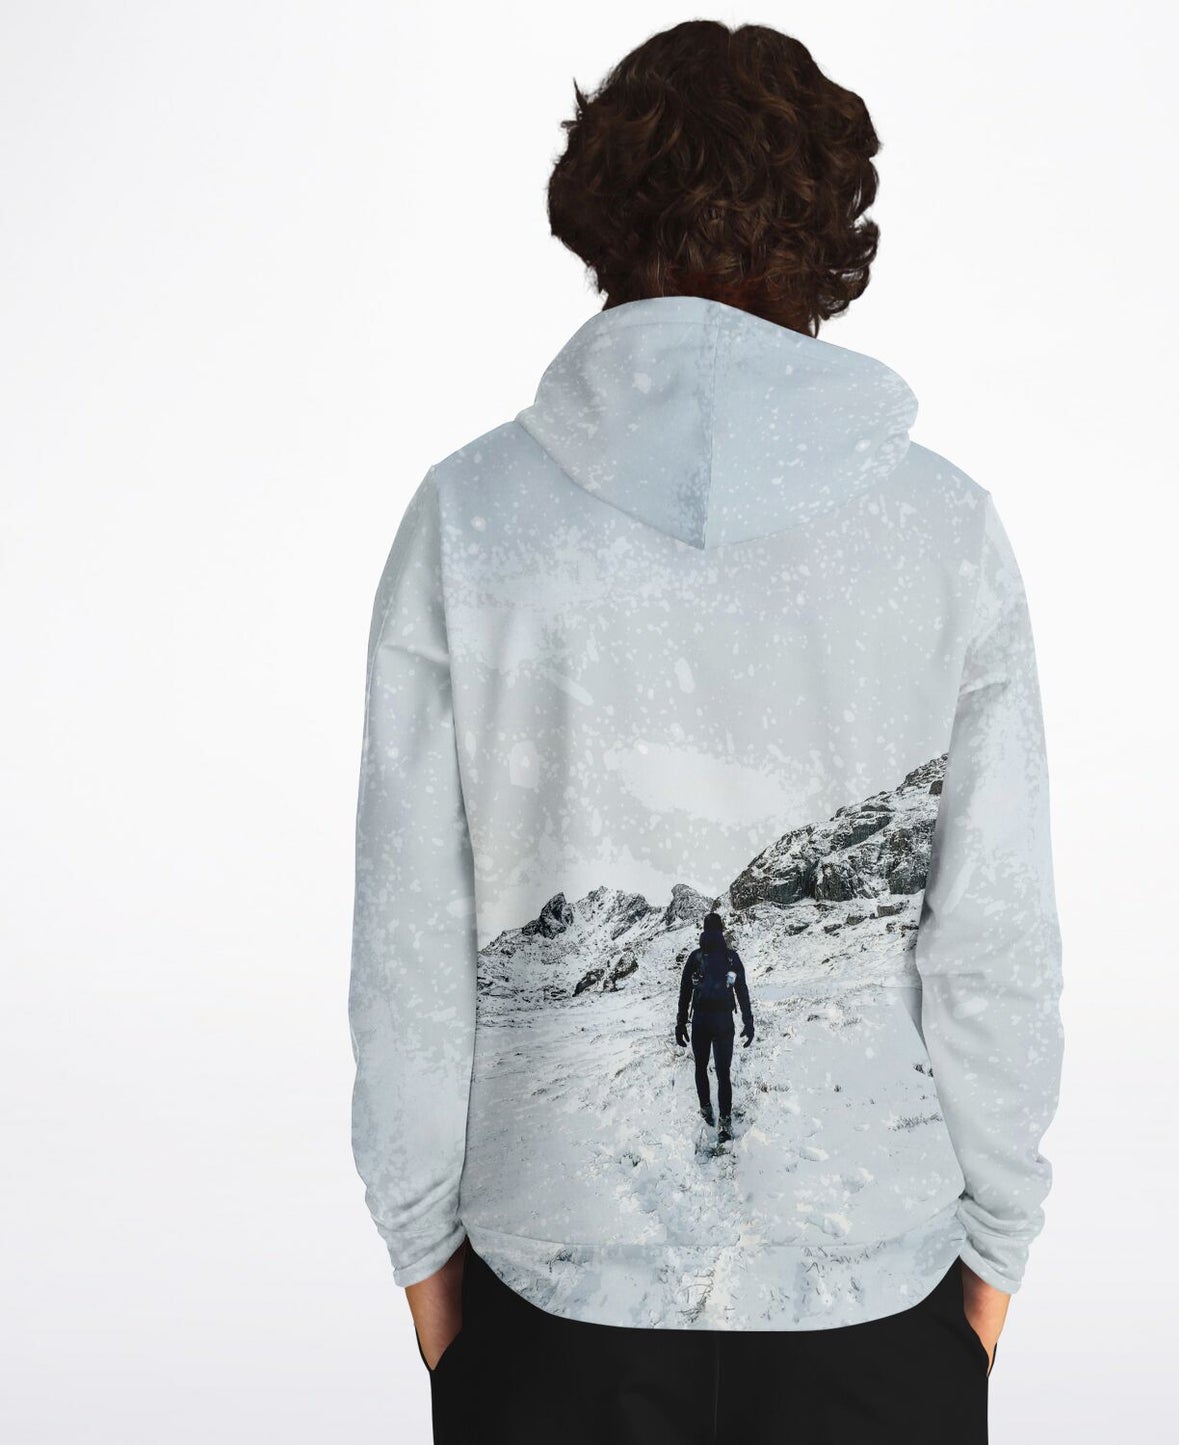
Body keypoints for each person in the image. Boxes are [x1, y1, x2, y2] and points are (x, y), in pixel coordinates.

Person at [347, 20, 1063, 1444]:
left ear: (599, 215)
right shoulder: (942, 528)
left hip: (549, 1306)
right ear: (829, 231)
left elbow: (409, 940)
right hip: (878, 1303)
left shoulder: (472, 517)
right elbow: (993, 945)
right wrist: (992, 1256)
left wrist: (426, 1262)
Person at [676, 911, 755, 1137]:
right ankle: (725, 1122)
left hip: (700, 1021)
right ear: (721, 930)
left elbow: (685, 991)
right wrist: (748, 1021)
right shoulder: (731, 958)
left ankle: (706, 1109)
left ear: (703, 930)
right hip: (723, 1021)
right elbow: (741, 990)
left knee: (700, 1067)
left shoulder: (696, 957)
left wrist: (681, 1023)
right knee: (723, 1072)